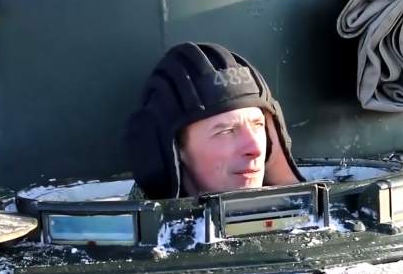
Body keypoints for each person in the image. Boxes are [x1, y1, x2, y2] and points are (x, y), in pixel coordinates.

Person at [125, 42, 304, 199]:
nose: (255, 149)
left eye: (258, 125)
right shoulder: (122, 235)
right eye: (226, 131)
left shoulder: (315, 220)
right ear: (174, 150)